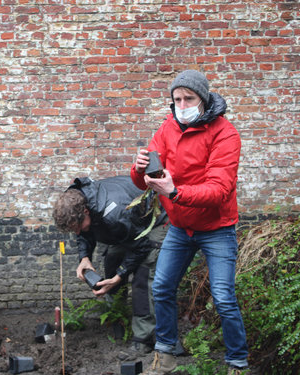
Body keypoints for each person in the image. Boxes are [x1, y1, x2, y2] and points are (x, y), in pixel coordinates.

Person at [130, 70, 249, 375]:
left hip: (217, 229)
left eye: (189, 98)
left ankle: (237, 363)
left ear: (203, 99)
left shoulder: (225, 133)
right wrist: (138, 169)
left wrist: (176, 192)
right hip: (181, 228)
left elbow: (220, 189)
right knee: (163, 288)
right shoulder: (168, 127)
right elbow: (147, 180)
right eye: (177, 99)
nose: (181, 104)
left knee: (223, 297)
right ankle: (166, 355)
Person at [53, 176, 168, 355]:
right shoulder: (79, 202)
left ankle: (143, 339)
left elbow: (141, 246)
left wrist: (119, 276)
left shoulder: (115, 214)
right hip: (125, 225)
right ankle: (117, 321)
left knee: (142, 278)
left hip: (153, 224)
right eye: (72, 229)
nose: (76, 232)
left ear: (86, 211)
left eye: (77, 226)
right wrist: (84, 257)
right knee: (111, 262)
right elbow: (84, 231)